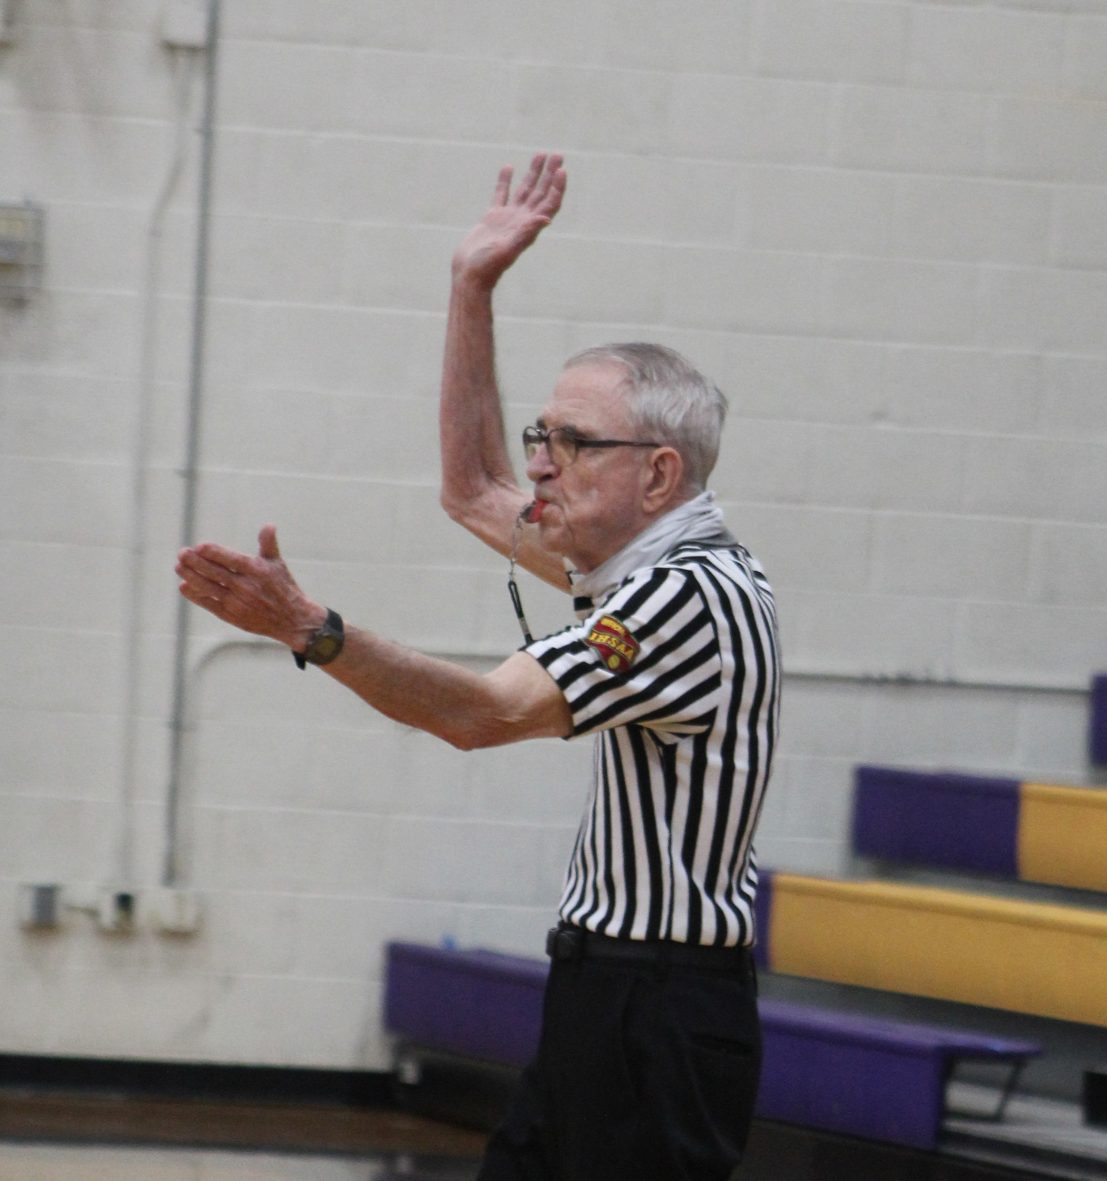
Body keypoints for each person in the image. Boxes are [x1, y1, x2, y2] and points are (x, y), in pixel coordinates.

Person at [175, 152, 780, 1181]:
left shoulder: (687, 593)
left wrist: (316, 632)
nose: (543, 459)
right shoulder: (638, 560)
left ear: (659, 472)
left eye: (574, 441)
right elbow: (473, 487)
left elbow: (488, 713)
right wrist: (471, 286)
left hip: (663, 1003)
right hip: (606, 989)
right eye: (545, 432)